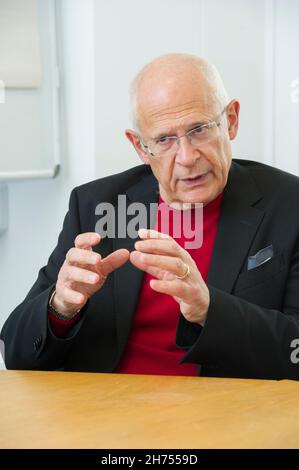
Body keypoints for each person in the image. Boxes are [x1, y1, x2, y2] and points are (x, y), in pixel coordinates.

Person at [1, 53, 299, 380]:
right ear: (141, 147)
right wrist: (61, 307)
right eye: (164, 140)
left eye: (199, 129)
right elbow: (16, 353)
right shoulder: (98, 205)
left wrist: (209, 310)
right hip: (101, 414)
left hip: (225, 417)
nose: (187, 157)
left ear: (230, 121)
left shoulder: (288, 205)